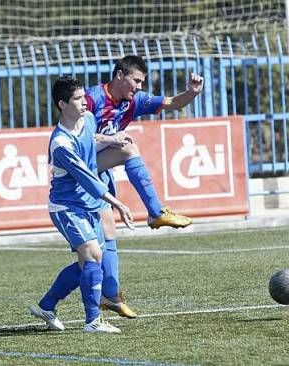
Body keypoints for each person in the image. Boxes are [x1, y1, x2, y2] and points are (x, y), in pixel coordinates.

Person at [86, 55, 205, 318]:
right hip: (79, 168)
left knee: (108, 233)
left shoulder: (133, 101)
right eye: (135, 80)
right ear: (119, 75)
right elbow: (78, 138)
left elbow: (172, 103)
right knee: (128, 147)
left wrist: (192, 93)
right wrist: (110, 138)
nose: (139, 87)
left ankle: (110, 295)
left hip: (99, 170)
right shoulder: (92, 98)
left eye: (142, 82)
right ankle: (155, 212)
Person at [29, 75, 134, 334]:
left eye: (83, 96)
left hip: (87, 204)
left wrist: (111, 139)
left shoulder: (87, 119)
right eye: (77, 99)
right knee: (93, 255)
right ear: (62, 104)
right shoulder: (60, 143)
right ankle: (93, 321)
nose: (84, 102)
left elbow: (92, 139)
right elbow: (87, 178)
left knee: (86, 265)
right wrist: (116, 202)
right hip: (66, 207)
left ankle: (47, 305)